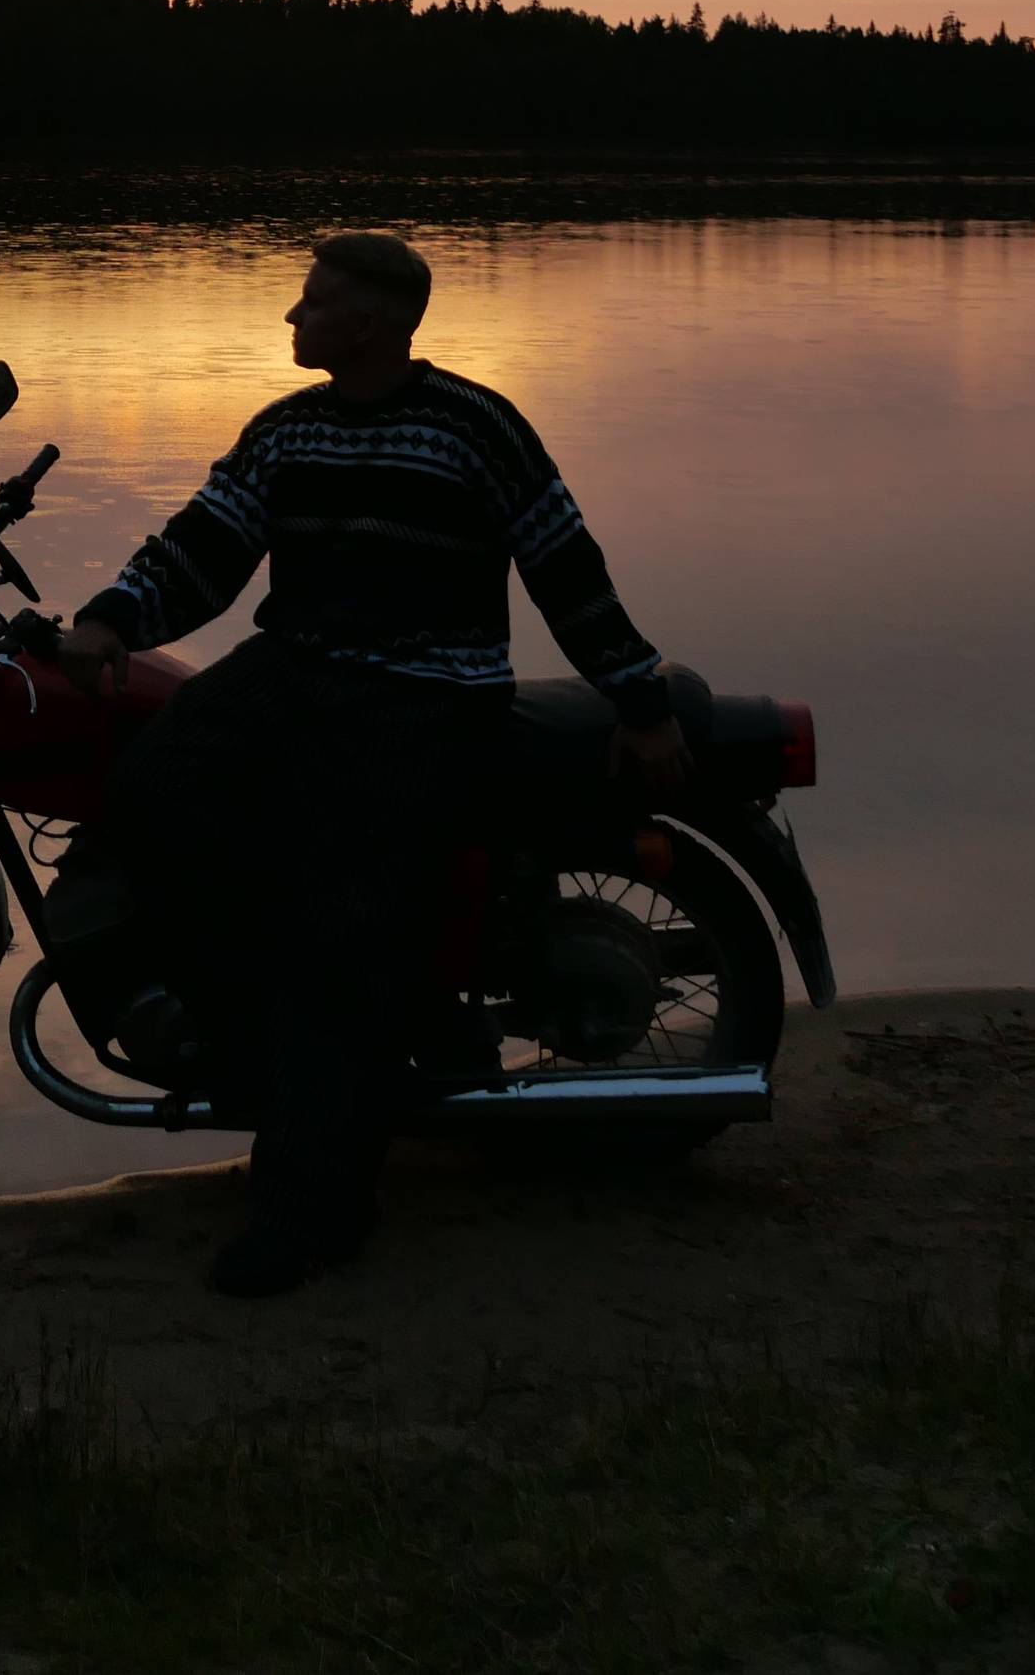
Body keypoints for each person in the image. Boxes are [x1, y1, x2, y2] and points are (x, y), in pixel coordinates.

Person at [56, 230, 691, 1299]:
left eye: (310, 304)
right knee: (148, 794)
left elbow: (562, 560)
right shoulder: (287, 428)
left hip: (426, 691)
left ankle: (316, 1205)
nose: (291, 319)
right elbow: (204, 545)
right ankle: (255, 1036)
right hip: (293, 665)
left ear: (368, 322)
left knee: (339, 926)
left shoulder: (474, 425)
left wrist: (638, 694)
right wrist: (115, 614)